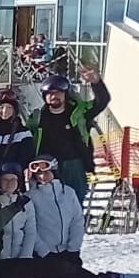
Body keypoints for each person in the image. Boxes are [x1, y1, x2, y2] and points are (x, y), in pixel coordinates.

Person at [32, 70, 110, 198]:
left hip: (74, 165)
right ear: (44, 96)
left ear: (65, 94)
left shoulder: (79, 112)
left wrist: (96, 83)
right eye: (49, 93)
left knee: (76, 201)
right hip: (47, 167)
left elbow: (102, 101)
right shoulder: (37, 118)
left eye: (58, 92)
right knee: (48, 203)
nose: (53, 96)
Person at [0, 91, 35, 169]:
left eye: (9, 107)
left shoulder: (23, 133)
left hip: (12, 174)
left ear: (14, 110)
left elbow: (26, 157)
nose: (5, 111)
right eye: (1, 107)